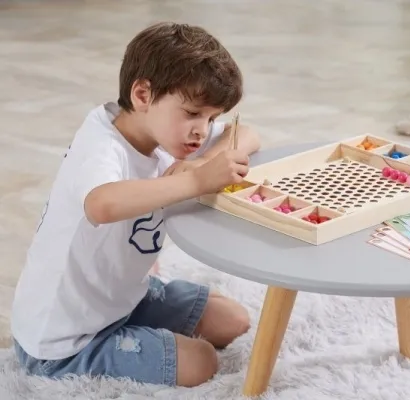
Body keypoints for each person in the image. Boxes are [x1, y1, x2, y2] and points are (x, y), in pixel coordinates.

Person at [10, 21, 261, 388]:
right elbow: (102, 204)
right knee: (201, 362)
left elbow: (247, 134)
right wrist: (194, 181)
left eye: (211, 118)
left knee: (233, 320)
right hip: (63, 338)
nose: (203, 131)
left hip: (122, 297)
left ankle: (134, 322)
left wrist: (205, 162)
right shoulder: (101, 144)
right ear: (143, 95)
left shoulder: (166, 132)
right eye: (193, 114)